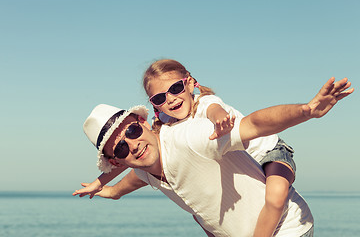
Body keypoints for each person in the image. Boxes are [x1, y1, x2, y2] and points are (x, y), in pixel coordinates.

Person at [75, 76, 352, 236]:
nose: (132, 145)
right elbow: (133, 181)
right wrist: (110, 191)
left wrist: (306, 110)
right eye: (121, 148)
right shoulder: (145, 170)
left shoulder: (190, 136)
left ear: (144, 122)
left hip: (288, 230)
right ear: (116, 161)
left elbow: (253, 124)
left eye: (133, 131)